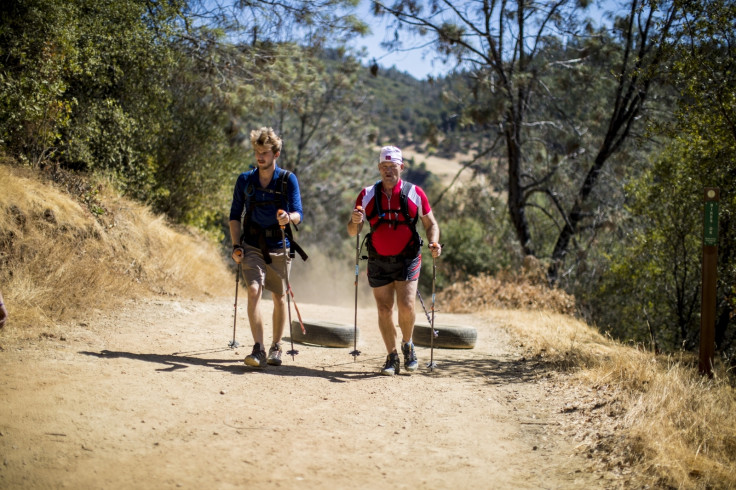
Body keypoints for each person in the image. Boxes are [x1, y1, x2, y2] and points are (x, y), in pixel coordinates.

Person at [347, 146, 441, 376]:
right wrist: (354, 220)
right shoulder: (366, 194)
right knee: (383, 309)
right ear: (379, 168)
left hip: (408, 258)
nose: (388, 171)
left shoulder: (415, 193)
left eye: (393, 166)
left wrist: (434, 243)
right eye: (384, 167)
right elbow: (353, 231)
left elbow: (431, 224)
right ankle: (392, 356)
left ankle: (407, 345)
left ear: (402, 167)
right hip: (378, 258)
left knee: (406, 306)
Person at [229, 127, 306, 368]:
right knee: (254, 291)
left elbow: (299, 214)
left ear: (276, 154)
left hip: (280, 247)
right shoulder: (245, 180)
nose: (260, 156)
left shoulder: (287, 179)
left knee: (279, 298)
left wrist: (289, 218)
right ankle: (259, 348)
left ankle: (276, 346)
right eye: (257, 152)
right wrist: (235, 245)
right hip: (252, 245)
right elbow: (234, 216)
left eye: (265, 152)